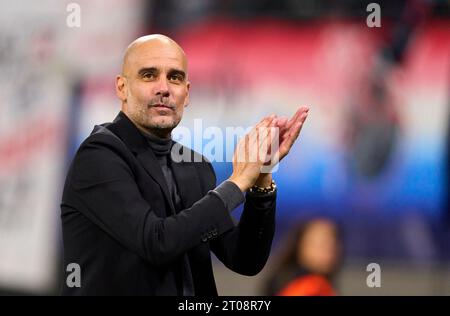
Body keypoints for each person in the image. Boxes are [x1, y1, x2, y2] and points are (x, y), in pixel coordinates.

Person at [60, 34, 309, 295]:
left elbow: (244, 260)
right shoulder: (99, 155)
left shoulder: (194, 166)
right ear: (122, 87)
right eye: (149, 75)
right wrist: (237, 184)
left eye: (175, 78)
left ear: (186, 93)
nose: (164, 88)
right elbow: (157, 243)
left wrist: (261, 180)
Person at [263, 218, 342, 296]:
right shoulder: (313, 286)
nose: (329, 249)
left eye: (333, 242)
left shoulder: (285, 279)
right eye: (321, 244)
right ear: (299, 247)